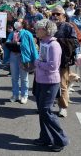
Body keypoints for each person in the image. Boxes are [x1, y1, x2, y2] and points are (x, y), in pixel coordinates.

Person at [33, 19, 69, 152]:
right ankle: (45, 138)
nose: (36, 30)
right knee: (42, 111)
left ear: (46, 30)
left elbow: (53, 66)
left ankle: (61, 140)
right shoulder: (43, 42)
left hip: (50, 82)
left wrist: (37, 64)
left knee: (46, 111)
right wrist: (38, 62)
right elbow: (41, 59)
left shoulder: (54, 45)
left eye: (38, 29)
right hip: (40, 80)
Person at [51, 6, 79, 118]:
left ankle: (62, 107)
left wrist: (58, 42)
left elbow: (75, 42)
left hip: (63, 60)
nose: (55, 16)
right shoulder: (49, 26)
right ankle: (47, 105)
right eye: (53, 14)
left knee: (62, 85)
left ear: (63, 15)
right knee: (49, 84)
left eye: (58, 14)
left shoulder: (68, 27)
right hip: (49, 61)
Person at [5, 20, 39, 104]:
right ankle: (15, 95)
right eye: (16, 22)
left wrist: (36, 59)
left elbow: (32, 47)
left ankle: (24, 95)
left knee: (24, 78)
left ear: (23, 24)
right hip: (13, 56)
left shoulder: (27, 33)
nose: (17, 23)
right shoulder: (12, 33)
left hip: (23, 57)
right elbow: (7, 42)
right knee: (14, 77)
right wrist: (12, 43)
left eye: (19, 22)